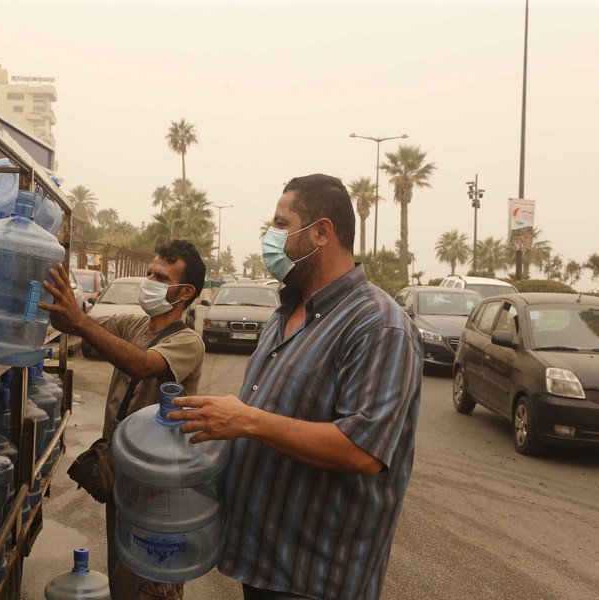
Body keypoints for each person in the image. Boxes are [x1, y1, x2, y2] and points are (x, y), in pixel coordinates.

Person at [168, 174, 422, 600]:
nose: (271, 237)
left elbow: (364, 451)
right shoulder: (285, 312)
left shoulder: (378, 325)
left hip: (317, 577)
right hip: (264, 561)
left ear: (321, 232)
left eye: (282, 225)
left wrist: (247, 421)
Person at [39, 240, 207, 600]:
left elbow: (142, 364)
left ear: (186, 291)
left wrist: (80, 320)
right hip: (124, 477)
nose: (148, 280)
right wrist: (51, 287)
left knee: (150, 579)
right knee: (122, 571)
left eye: (160, 277)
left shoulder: (189, 342)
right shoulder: (134, 324)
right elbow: (71, 322)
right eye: (149, 272)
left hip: (158, 493)